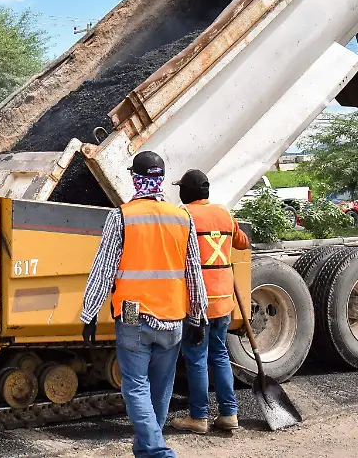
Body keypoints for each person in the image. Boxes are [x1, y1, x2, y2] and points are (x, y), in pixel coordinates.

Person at [80, 151, 207, 458]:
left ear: (134, 178)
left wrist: (90, 313)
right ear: (161, 179)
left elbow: (104, 269)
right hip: (172, 316)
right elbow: (194, 271)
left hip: (133, 314)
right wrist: (197, 316)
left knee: (136, 386)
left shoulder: (122, 216)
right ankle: (146, 448)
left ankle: (156, 451)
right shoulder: (182, 218)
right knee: (161, 388)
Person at [169, 169, 250, 435]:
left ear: (186, 191)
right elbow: (242, 243)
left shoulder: (183, 215)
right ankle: (229, 413)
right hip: (224, 300)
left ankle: (199, 417)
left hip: (197, 302)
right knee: (220, 355)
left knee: (196, 359)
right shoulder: (224, 213)